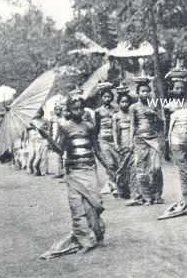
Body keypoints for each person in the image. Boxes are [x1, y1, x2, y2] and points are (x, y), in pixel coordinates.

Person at [37, 92, 105, 259]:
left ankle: (96, 233)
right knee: (77, 208)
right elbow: (60, 150)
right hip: (73, 171)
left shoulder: (90, 126)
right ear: (68, 110)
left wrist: (109, 166)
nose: (79, 111)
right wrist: (47, 137)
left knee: (93, 206)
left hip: (89, 169)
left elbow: (96, 148)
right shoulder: (64, 126)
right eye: (75, 108)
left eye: (81, 108)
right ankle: (84, 241)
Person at [160, 61, 187, 219]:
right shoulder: (169, 106)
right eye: (176, 88)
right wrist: (166, 145)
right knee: (184, 173)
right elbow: (166, 126)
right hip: (175, 142)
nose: (180, 90)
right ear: (172, 89)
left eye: (182, 88)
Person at [126, 78, 164, 206]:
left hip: (153, 139)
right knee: (141, 169)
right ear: (138, 93)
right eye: (142, 91)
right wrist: (131, 141)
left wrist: (154, 114)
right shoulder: (133, 107)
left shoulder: (154, 104)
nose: (145, 94)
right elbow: (132, 124)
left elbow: (161, 122)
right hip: (140, 139)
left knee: (156, 168)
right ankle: (147, 196)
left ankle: (157, 194)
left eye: (147, 91)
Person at [94, 86, 119, 197]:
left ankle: (117, 183)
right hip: (103, 139)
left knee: (118, 162)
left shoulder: (116, 109)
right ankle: (112, 184)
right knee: (109, 163)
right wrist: (95, 141)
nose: (107, 99)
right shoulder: (98, 111)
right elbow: (96, 127)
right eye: (105, 97)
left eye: (109, 96)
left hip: (115, 139)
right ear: (101, 98)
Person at [112, 89, 133, 199]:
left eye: (126, 102)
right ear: (118, 103)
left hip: (132, 142)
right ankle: (120, 189)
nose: (124, 104)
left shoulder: (132, 114)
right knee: (122, 168)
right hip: (122, 143)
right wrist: (116, 144)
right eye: (122, 102)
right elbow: (115, 131)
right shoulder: (116, 116)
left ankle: (132, 190)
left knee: (132, 168)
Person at [27, 108, 50, 176]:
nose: (38, 114)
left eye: (39, 113)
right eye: (37, 112)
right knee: (36, 156)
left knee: (44, 156)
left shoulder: (45, 120)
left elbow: (48, 128)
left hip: (44, 139)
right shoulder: (32, 121)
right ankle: (32, 168)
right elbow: (27, 129)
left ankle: (44, 171)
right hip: (35, 140)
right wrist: (33, 127)